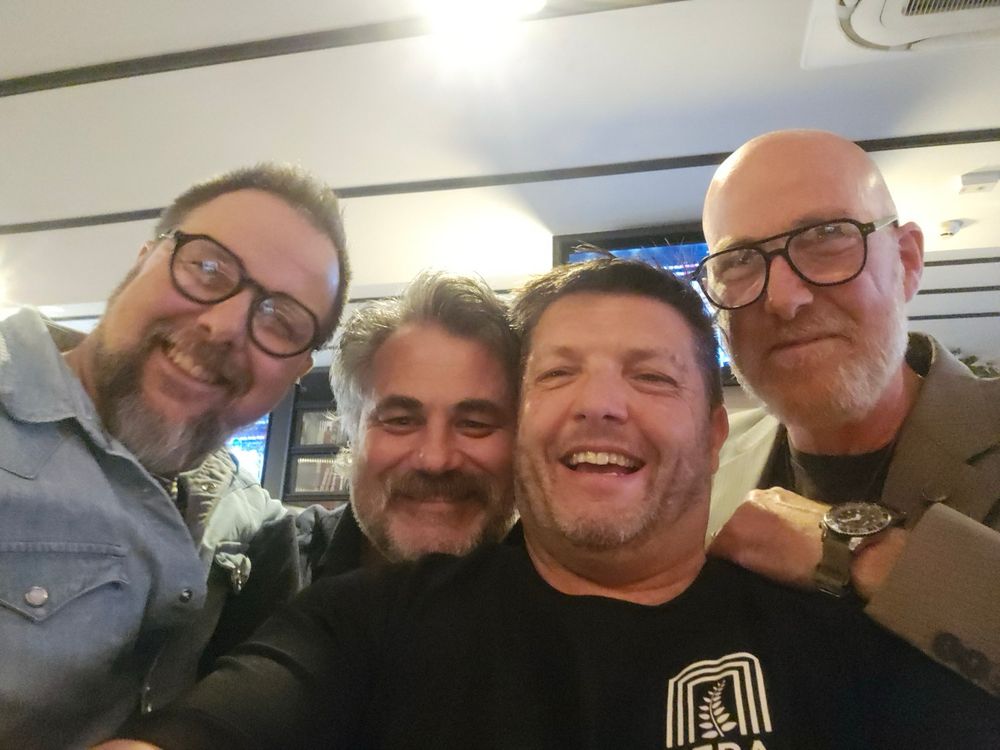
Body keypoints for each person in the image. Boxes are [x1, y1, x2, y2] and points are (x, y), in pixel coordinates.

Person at [97, 260, 999, 750]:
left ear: (715, 432)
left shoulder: (842, 639)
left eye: (651, 377)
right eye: (559, 373)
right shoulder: (358, 626)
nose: (599, 403)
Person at [0, 162, 350, 750]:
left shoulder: (253, 525)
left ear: (296, 372)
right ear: (142, 260)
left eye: (282, 320)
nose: (223, 326)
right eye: (208, 269)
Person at [698, 129, 1000, 696]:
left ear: (907, 261)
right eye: (738, 262)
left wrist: (855, 553)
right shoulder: (701, 466)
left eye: (827, 236)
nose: (784, 298)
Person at [298, 271, 519, 578]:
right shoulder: (269, 567)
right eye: (400, 421)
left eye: (475, 423)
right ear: (351, 433)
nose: (435, 460)